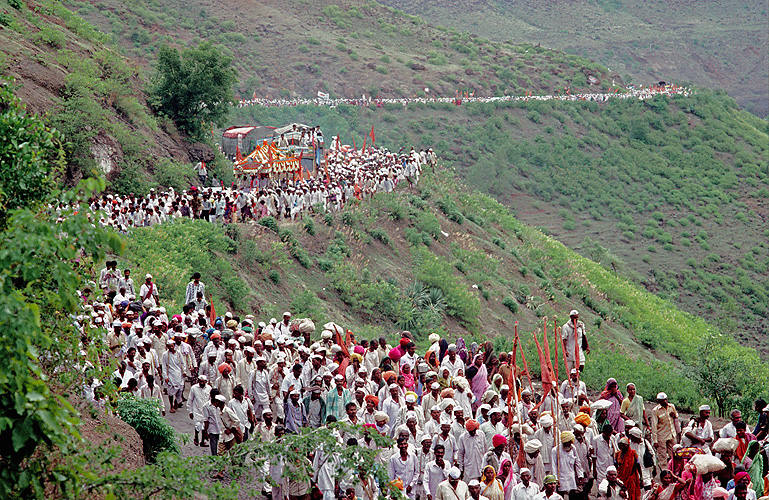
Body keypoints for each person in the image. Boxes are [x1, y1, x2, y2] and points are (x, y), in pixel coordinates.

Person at [650, 393, 678, 465]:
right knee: (662, 456)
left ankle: (673, 470)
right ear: (658, 401)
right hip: (661, 436)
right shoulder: (655, 411)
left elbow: (676, 417)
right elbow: (654, 426)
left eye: (665, 400)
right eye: (662, 400)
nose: (665, 402)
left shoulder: (671, 407)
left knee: (674, 454)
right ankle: (664, 470)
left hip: (671, 434)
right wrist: (655, 440)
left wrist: (674, 416)